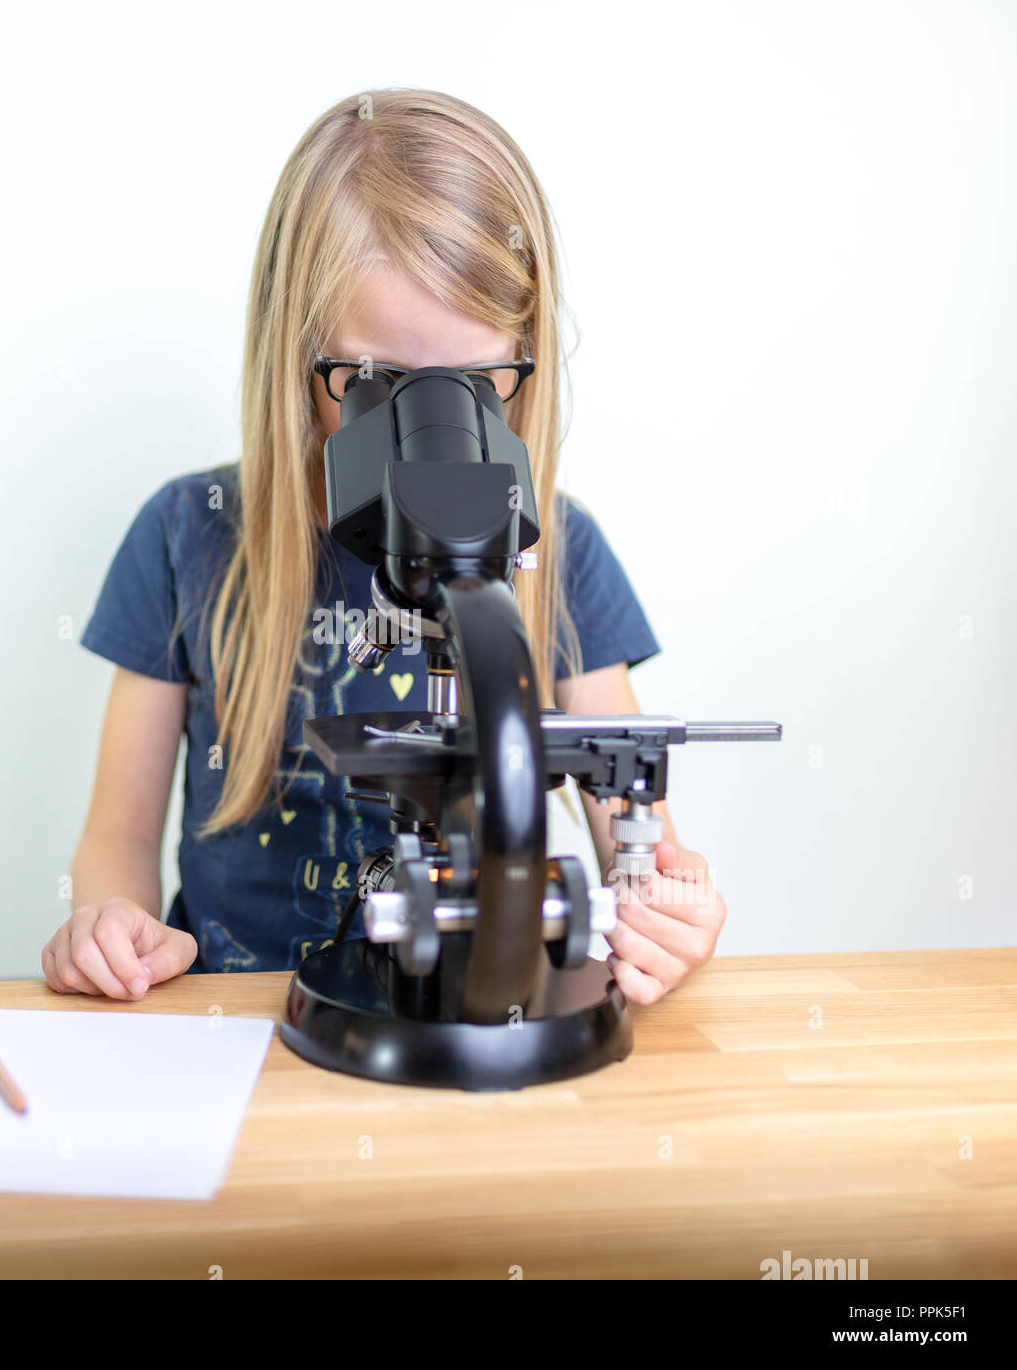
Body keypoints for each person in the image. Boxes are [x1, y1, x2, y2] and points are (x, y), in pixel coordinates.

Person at [41, 89, 725, 1007]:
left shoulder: (561, 552)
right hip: (236, 1029)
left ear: (523, 361)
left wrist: (666, 916)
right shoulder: (189, 532)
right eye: (377, 381)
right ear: (295, 353)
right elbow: (117, 836)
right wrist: (108, 924)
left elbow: (636, 841)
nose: (426, 429)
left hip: (479, 1015)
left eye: (477, 383)